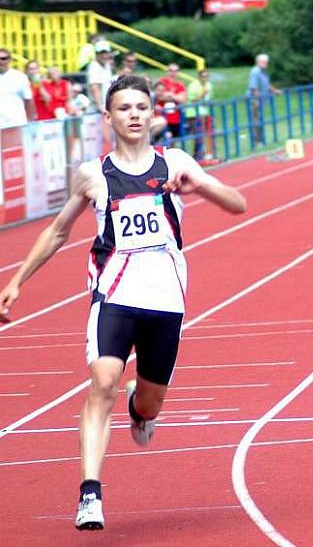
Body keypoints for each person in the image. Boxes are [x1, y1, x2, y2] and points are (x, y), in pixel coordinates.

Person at [0, 74, 247, 531]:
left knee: (150, 403)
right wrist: (17, 281)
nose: (133, 115)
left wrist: (201, 186)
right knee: (103, 382)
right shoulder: (93, 175)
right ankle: (90, 494)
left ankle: (140, 410)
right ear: (108, 116)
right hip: (112, 296)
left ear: (152, 114)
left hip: (165, 300)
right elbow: (56, 232)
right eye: (124, 108)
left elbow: (238, 204)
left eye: (141, 107)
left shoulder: (174, 162)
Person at [247, 53, 282, 146]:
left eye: (266, 62)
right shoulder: (255, 71)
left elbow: (267, 85)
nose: (265, 63)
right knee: (256, 121)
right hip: (255, 101)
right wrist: (257, 100)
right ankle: (257, 142)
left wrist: (275, 91)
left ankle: (260, 140)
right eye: (263, 62)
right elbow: (253, 88)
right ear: (258, 62)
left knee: (259, 120)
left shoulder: (263, 71)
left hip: (261, 100)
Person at [0, 47, 35, 129]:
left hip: (16, 123)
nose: (1, 61)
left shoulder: (19, 77)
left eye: (3, 58)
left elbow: (28, 100)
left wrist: (30, 120)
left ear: (9, 60)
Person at [185, 68, 214, 160]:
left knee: (209, 134)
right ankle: (198, 156)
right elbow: (193, 100)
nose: (205, 78)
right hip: (193, 113)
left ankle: (209, 154)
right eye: (203, 76)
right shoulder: (193, 86)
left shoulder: (209, 85)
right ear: (199, 77)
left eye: (206, 76)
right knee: (198, 135)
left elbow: (209, 99)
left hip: (206, 113)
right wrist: (203, 93)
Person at [158, 63, 187, 140]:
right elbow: (159, 96)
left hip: (175, 119)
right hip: (162, 117)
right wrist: (175, 96)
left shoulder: (180, 85)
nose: (173, 73)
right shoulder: (161, 82)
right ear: (167, 71)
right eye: (171, 70)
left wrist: (170, 95)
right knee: (161, 142)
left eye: (175, 71)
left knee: (173, 142)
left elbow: (183, 100)